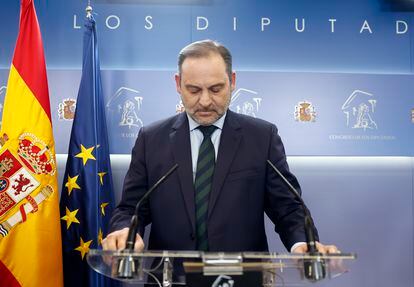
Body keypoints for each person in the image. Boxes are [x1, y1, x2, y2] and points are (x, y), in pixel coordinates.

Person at [102, 39, 339, 254]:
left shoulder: (262, 137)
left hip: (242, 286)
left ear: (232, 81)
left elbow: (287, 208)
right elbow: (131, 208)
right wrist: (125, 231)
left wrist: (302, 244)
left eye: (216, 89)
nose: (205, 101)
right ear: (178, 84)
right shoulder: (151, 139)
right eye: (193, 90)